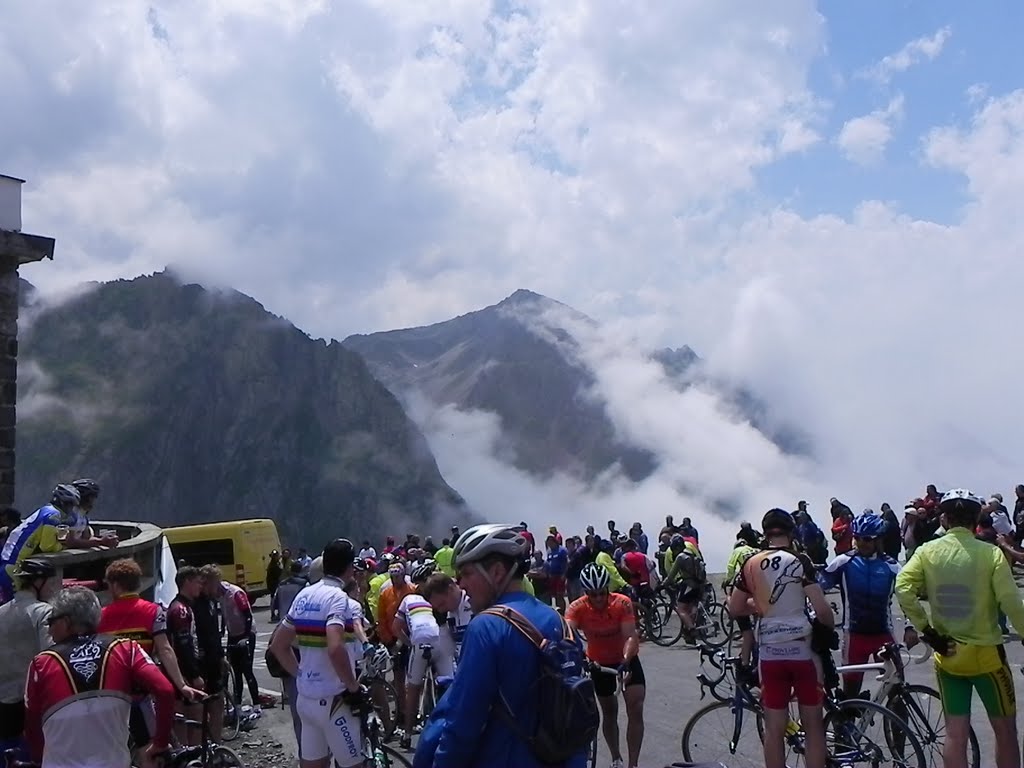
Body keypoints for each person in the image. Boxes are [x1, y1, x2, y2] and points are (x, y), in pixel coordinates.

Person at [414, 523, 587, 768]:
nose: (460, 584)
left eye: (466, 573)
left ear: (496, 573)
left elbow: (462, 723)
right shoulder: (557, 619)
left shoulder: (486, 626)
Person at [896, 488, 1024, 768]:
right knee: (1005, 732)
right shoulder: (990, 554)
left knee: (955, 733)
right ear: (976, 518)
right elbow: (1011, 602)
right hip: (987, 655)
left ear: (944, 518)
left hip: (948, 654)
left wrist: (927, 631)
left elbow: (903, 587)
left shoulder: (927, 551)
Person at [24, 586, 176, 768]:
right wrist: (160, 743)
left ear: (66, 622)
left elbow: (32, 724)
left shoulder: (41, 663)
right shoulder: (126, 649)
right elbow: (165, 691)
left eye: (51, 622)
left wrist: (38, 758)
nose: (49, 630)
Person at [728, 509, 833, 768]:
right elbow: (822, 610)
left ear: (765, 534)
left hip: (770, 654)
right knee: (813, 730)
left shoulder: (750, 563)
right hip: (802, 651)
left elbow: (735, 607)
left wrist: (759, 604)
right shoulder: (799, 560)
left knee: (774, 730)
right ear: (790, 532)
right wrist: (828, 631)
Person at [269, 539, 367, 768]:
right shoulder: (338, 598)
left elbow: (278, 645)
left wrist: (301, 673)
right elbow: (335, 647)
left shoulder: (305, 594)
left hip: (306, 699)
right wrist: (353, 686)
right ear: (350, 567)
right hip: (334, 701)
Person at [99, 558, 202, 755]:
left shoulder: (101, 616)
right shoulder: (154, 611)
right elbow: (165, 650)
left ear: (114, 584)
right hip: (141, 690)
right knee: (154, 749)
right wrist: (181, 685)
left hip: (111, 695)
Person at [567, 563, 645, 768]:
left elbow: (630, 636)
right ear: (586, 593)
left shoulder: (623, 603)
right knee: (609, 712)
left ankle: (633, 764)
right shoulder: (577, 607)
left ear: (607, 589)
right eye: (593, 594)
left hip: (625, 661)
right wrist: (581, 657)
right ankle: (615, 758)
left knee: (635, 708)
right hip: (598, 664)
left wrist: (626, 660)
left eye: (602, 593)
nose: (599, 598)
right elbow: (567, 636)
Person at [819, 512, 902, 697]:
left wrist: (910, 627)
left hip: (884, 636)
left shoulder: (892, 566)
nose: (861, 543)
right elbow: (816, 586)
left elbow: (907, 597)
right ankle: (846, 723)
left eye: (867, 539)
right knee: (850, 694)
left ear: (878, 540)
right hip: (854, 636)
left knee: (897, 692)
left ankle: (898, 726)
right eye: (857, 538)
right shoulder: (843, 562)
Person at [0, 559, 57, 755]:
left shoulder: (1, 612)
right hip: (32, 702)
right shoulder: (44, 612)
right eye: (50, 582)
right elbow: (50, 656)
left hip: (4, 702)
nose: (53, 588)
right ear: (38, 582)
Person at [395, 562, 450, 750]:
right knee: (449, 683)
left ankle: (408, 734)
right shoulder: (442, 597)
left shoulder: (408, 599)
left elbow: (396, 628)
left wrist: (409, 642)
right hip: (441, 641)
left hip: (420, 642)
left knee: (413, 689)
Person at [0, 484, 81, 604]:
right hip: (14, 568)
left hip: (8, 563)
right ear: (63, 503)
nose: (71, 509)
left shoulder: (46, 510)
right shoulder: (53, 515)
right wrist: (63, 545)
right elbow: (46, 546)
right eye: (70, 504)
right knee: (15, 609)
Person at [167, 566, 206, 745]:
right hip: (182, 674)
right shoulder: (180, 610)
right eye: (198, 582)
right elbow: (184, 645)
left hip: (182, 673)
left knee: (192, 718)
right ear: (187, 582)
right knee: (191, 718)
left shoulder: (184, 606)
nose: (200, 586)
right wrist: (194, 675)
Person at [377, 561, 416, 735]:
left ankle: (413, 710)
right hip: (394, 640)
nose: (394, 580)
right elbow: (382, 618)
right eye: (392, 577)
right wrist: (388, 640)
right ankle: (402, 710)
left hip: (412, 637)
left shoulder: (413, 589)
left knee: (414, 677)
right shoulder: (385, 594)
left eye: (397, 577)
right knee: (399, 678)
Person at [214, 577, 262, 712]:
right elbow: (224, 613)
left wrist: (246, 637)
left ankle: (257, 704)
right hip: (233, 634)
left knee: (247, 670)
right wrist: (223, 629)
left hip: (246, 632)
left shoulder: (235, 593)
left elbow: (247, 614)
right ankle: (238, 704)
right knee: (235, 671)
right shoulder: (220, 595)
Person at [196, 565, 227, 740]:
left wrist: (221, 655)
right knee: (202, 707)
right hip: (202, 661)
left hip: (214, 659)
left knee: (218, 703)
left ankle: (216, 743)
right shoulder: (196, 604)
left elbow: (215, 632)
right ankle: (206, 744)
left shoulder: (211, 602)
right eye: (216, 583)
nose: (218, 587)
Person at [665, 534, 705, 642]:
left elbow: (671, 575)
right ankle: (690, 632)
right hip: (698, 584)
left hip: (688, 585)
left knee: (681, 608)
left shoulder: (680, 557)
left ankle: (691, 629)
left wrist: (663, 585)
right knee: (691, 607)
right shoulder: (691, 553)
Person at [67, 478, 117, 548]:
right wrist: (101, 541)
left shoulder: (83, 515)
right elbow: (70, 542)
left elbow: (86, 538)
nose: (93, 502)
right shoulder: (71, 514)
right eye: (92, 498)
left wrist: (105, 540)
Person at [545, 533, 569, 612]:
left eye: (551, 542)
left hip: (560, 575)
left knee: (560, 594)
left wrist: (564, 574)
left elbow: (566, 562)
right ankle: (557, 609)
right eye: (548, 543)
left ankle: (562, 611)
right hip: (552, 576)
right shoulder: (549, 552)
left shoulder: (561, 550)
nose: (550, 544)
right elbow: (548, 563)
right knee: (554, 595)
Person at [267, 550, 284, 620]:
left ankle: (276, 613)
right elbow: (278, 574)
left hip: (274, 584)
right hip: (274, 584)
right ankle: (273, 614)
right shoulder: (273, 565)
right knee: (274, 599)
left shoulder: (276, 563)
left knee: (276, 599)